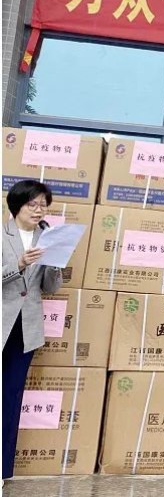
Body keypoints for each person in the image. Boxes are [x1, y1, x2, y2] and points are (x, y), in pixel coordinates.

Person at [2, 180, 63, 480]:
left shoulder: (47, 238)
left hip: (26, 329)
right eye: (33, 204)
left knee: (11, 396)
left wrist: (55, 264)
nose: (39, 210)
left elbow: (50, 288)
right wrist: (19, 263)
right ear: (17, 205)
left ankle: (2, 469)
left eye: (43, 205)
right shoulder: (2, 234)